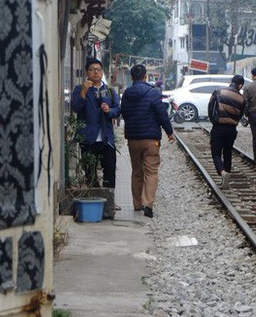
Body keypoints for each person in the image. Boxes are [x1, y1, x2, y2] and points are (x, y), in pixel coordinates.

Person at [121, 64, 176, 218]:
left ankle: (137, 204)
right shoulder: (152, 93)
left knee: (137, 172)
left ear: (132, 77)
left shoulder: (126, 94)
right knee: (151, 172)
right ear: (145, 76)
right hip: (151, 139)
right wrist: (169, 133)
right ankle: (148, 205)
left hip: (133, 139)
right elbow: (162, 115)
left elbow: (124, 113)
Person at [70, 58, 121, 198]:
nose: (96, 72)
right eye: (92, 70)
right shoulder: (80, 89)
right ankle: (95, 199)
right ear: (87, 72)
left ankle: (109, 200)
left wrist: (109, 110)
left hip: (106, 138)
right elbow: (75, 108)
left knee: (110, 170)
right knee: (90, 172)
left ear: (102, 72)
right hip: (88, 138)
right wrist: (84, 92)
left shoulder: (109, 91)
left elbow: (118, 110)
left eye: (98, 69)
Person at [208, 75, 246, 189]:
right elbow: (240, 115)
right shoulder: (242, 99)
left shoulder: (219, 92)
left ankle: (222, 172)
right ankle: (227, 178)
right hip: (231, 129)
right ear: (240, 85)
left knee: (216, 153)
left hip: (218, 127)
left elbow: (211, 107)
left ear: (231, 82)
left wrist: (213, 120)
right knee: (228, 152)